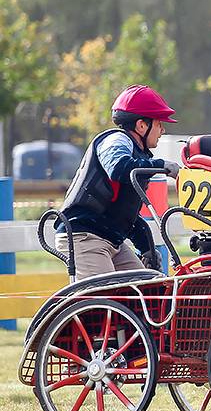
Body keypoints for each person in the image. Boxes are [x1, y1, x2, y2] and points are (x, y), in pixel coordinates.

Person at [57, 85, 181, 280]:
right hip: (85, 236)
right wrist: (161, 165)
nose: (163, 130)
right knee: (107, 297)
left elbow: (126, 215)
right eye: (159, 124)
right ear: (141, 125)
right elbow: (118, 168)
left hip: (110, 240)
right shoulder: (116, 140)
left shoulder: (136, 154)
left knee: (149, 287)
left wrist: (146, 249)